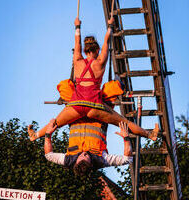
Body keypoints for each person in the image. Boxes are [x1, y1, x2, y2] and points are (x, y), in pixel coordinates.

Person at [28, 17, 159, 141]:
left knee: (56, 123)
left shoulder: (78, 61)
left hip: (76, 105)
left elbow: (77, 44)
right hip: (94, 106)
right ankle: (149, 134)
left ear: (85, 51)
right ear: (97, 50)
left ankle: (36, 135)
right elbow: (107, 43)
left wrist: (77, 27)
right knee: (124, 122)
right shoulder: (100, 62)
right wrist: (110, 26)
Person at [44, 119, 133, 176]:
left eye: (81, 156)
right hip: (98, 116)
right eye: (87, 156)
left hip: (76, 116)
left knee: (66, 90)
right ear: (91, 164)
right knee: (112, 90)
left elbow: (49, 155)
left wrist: (48, 134)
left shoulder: (68, 159)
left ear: (75, 162)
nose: (84, 153)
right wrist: (126, 138)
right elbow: (127, 159)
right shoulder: (102, 159)